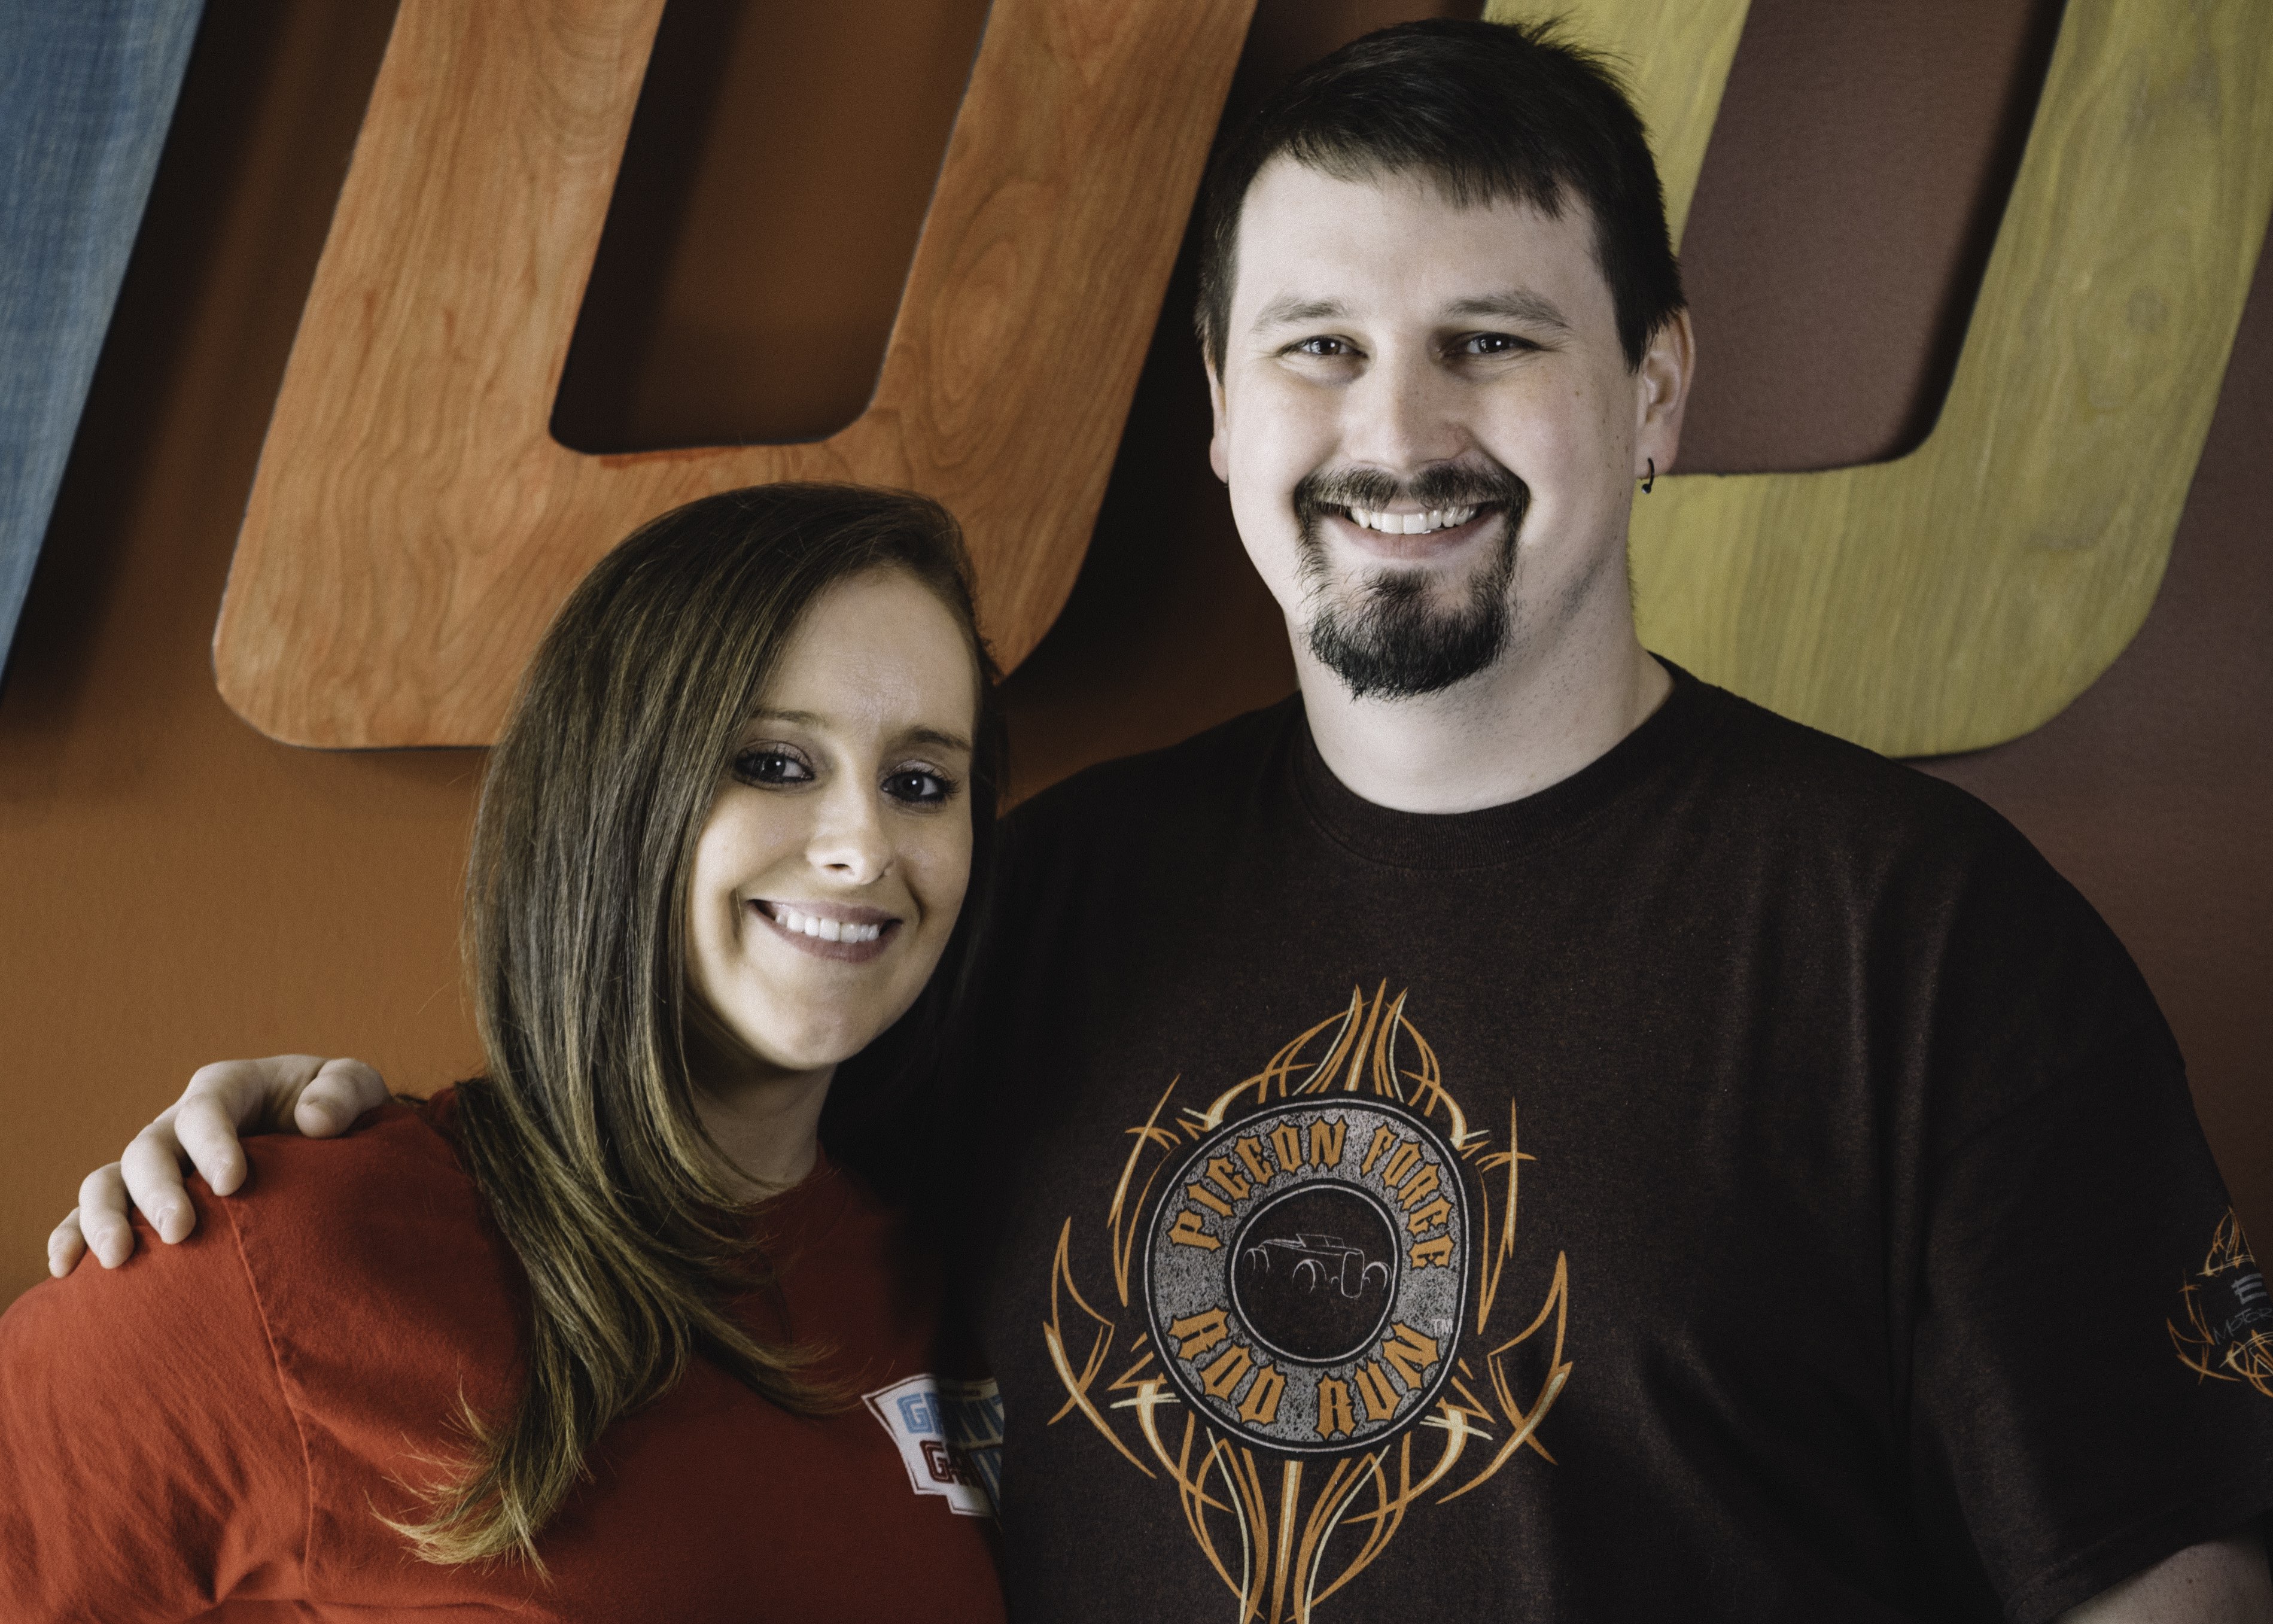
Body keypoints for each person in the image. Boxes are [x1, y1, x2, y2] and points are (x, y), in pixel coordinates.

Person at [46, 18, 2273, 1623]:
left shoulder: (1930, 943)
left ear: (1657, 387)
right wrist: (281, 1157)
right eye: (1315, 346)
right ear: (1218, 413)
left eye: (1491, 339)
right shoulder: (1028, 905)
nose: (1397, 428)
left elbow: (2159, 1569)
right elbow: (674, 1198)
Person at [4, 484, 1010, 1619]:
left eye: (921, 783)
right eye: (775, 762)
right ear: (612, 791)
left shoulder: (960, 1284)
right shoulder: (284, 1248)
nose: (863, 847)